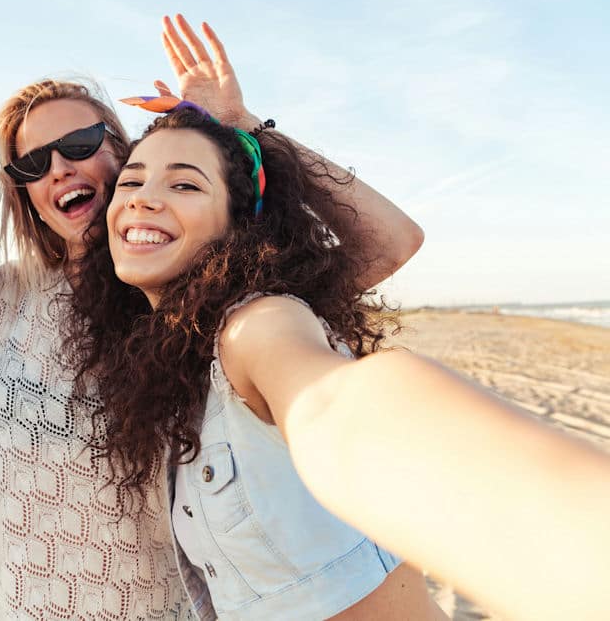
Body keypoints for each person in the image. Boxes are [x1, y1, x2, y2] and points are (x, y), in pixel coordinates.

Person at [67, 107, 610, 621]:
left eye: (185, 184)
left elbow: (333, 404)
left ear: (237, 224)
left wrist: (251, 127)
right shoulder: (170, 362)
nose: (142, 200)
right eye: (131, 182)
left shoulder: (253, 324)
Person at [0, 15, 425, 620]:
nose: (58, 169)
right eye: (32, 165)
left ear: (119, 148)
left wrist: (243, 127)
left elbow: (388, 244)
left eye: (78, 145)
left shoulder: (190, 292)